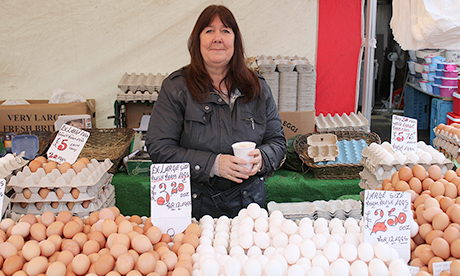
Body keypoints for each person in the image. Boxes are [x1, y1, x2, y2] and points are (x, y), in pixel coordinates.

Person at [145, 4, 287, 219]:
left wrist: (263, 158)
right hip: (195, 205)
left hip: (248, 207)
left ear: (235, 41)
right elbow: (159, 147)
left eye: (226, 31)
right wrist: (212, 164)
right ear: (197, 40)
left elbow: (277, 141)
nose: (217, 38)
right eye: (209, 30)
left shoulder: (257, 87)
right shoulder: (177, 87)